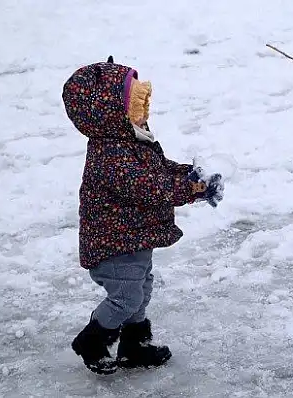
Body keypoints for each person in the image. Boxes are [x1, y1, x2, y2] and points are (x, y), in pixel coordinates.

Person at [61, 56, 223, 375]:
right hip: (114, 243)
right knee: (126, 296)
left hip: (133, 237)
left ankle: (133, 345)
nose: (143, 110)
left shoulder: (132, 140)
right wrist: (189, 189)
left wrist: (192, 175)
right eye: (136, 103)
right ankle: (92, 341)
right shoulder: (110, 155)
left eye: (143, 101)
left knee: (141, 290)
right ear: (111, 113)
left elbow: (159, 170)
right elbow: (148, 188)